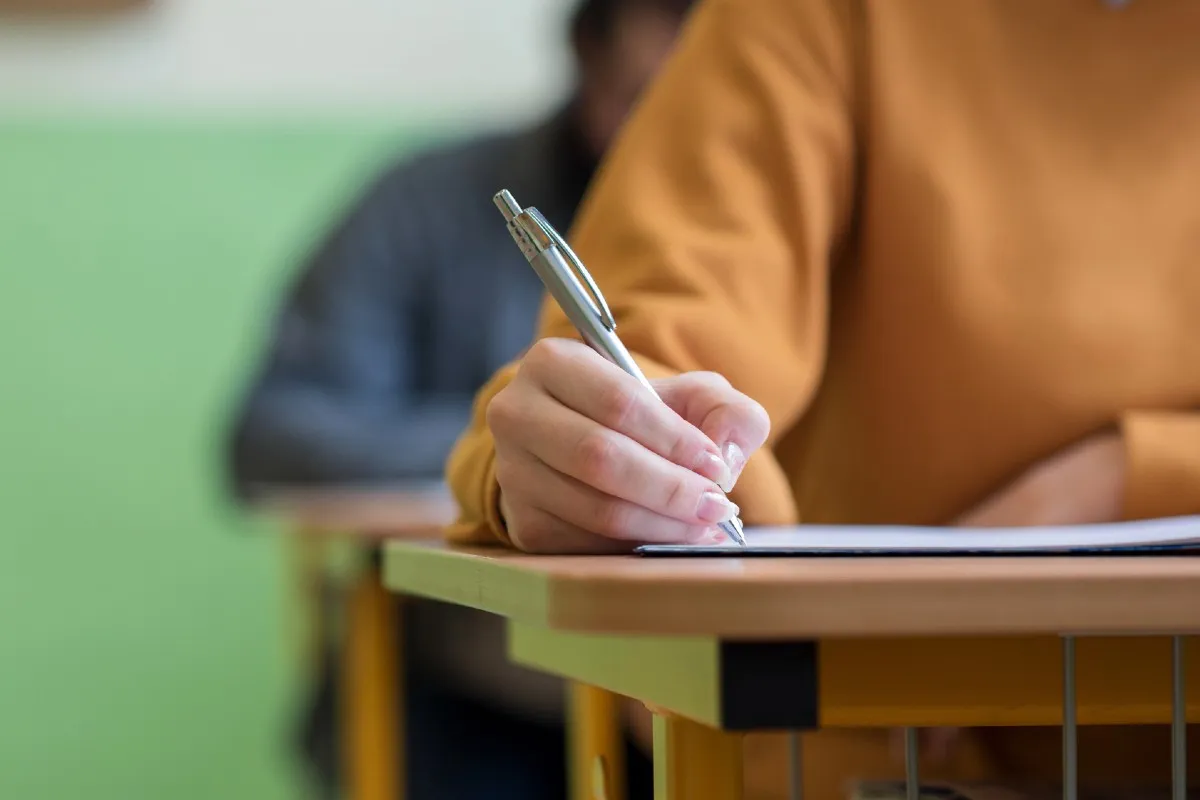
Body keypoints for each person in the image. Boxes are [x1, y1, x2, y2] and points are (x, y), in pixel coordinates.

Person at [445, 0, 1200, 797]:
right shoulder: (819, 19)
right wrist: (601, 445)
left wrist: (1118, 481)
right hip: (866, 756)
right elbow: (663, 339)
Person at [226, 0, 696, 797]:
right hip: (474, 695)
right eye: (650, 103)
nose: (678, 146)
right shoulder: (429, 202)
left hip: (694, 692)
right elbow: (274, 434)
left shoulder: (789, 217)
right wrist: (505, 450)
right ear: (591, 51)